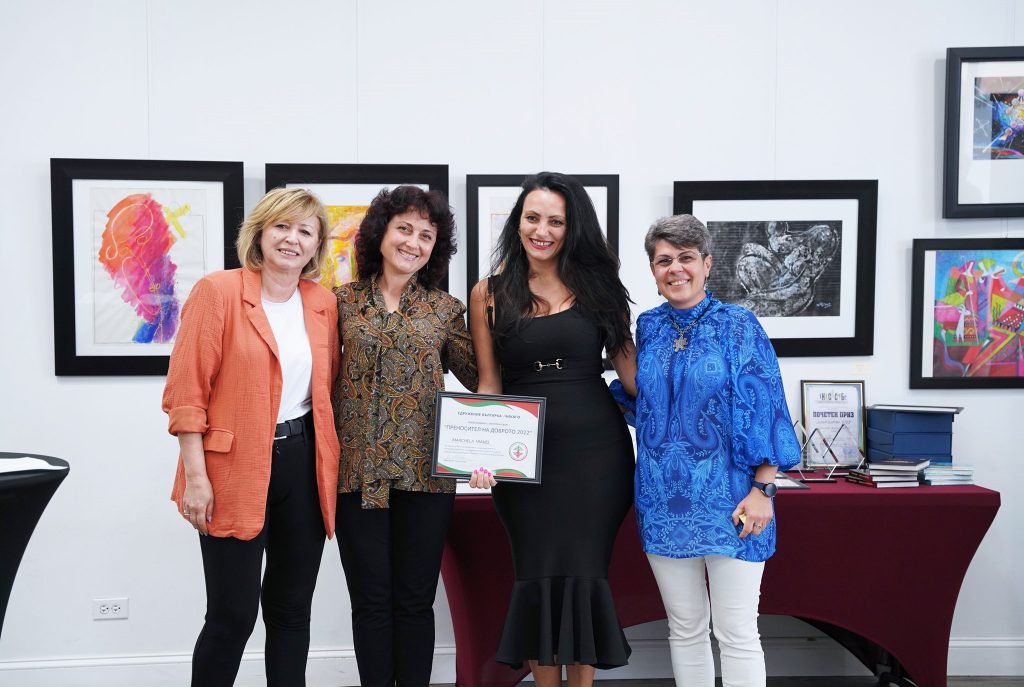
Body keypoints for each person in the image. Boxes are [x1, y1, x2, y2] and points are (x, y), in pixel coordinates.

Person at [609, 214, 800, 687]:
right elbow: (642, 399)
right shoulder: (648, 327)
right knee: (685, 629)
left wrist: (764, 490)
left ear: (707, 263)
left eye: (686, 258)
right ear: (653, 270)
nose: (676, 269)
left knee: (736, 632)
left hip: (733, 500)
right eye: (664, 260)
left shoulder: (739, 325)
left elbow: (767, 406)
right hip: (662, 502)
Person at [162, 187, 340, 686]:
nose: (292, 239)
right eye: (282, 226)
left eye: (305, 231)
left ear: (316, 245)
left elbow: (328, 390)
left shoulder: (323, 303)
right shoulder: (217, 292)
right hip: (230, 468)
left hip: (303, 464)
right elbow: (186, 394)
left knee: (291, 610)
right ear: (260, 233)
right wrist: (196, 478)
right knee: (232, 615)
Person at [467, 172, 637, 687]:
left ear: (572, 227)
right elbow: (490, 384)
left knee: (585, 577)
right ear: (517, 222)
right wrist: (479, 454)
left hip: (597, 458)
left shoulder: (601, 288)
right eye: (533, 218)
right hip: (523, 460)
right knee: (536, 577)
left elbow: (633, 377)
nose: (542, 230)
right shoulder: (488, 293)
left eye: (556, 221)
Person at [333, 185, 478, 687]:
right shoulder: (339, 303)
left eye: (426, 235)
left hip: (426, 476)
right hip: (356, 474)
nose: (414, 242)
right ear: (381, 232)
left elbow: (483, 381)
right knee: (370, 601)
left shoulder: (445, 310)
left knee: (415, 602)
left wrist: (496, 449)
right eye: (405, 229)